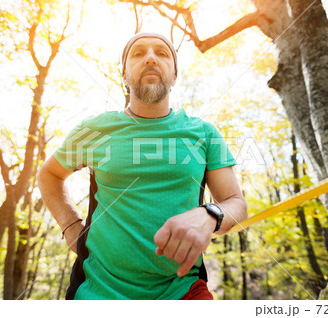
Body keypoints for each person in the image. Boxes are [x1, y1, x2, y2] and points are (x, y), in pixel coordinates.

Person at [37, 32, 247, 300]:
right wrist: (70, 227)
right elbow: (50, 174)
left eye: (162, 53)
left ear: (174, 76)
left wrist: (210, 213)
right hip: (97, 292)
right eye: (138, 53)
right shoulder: (94, 130)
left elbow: (236, 204)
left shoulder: (204, 133)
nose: (150, 58)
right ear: (124, 76)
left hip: (183, 291)